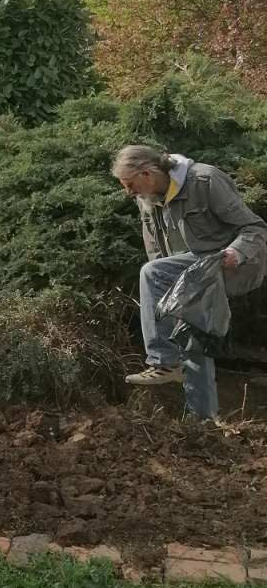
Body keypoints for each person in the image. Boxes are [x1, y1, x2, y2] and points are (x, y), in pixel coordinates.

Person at [113, 144, 267, 419]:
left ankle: (163, 361)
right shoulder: (147, 198)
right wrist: (167, 299)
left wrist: (237, 252)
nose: (128, 192)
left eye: (130, 185)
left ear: (147, 173)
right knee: (190, 337)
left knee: (151, 272)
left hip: (229, 265)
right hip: (190, 276)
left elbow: (255, 227)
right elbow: (156, 251)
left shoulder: (205, 180)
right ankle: (203, 421)